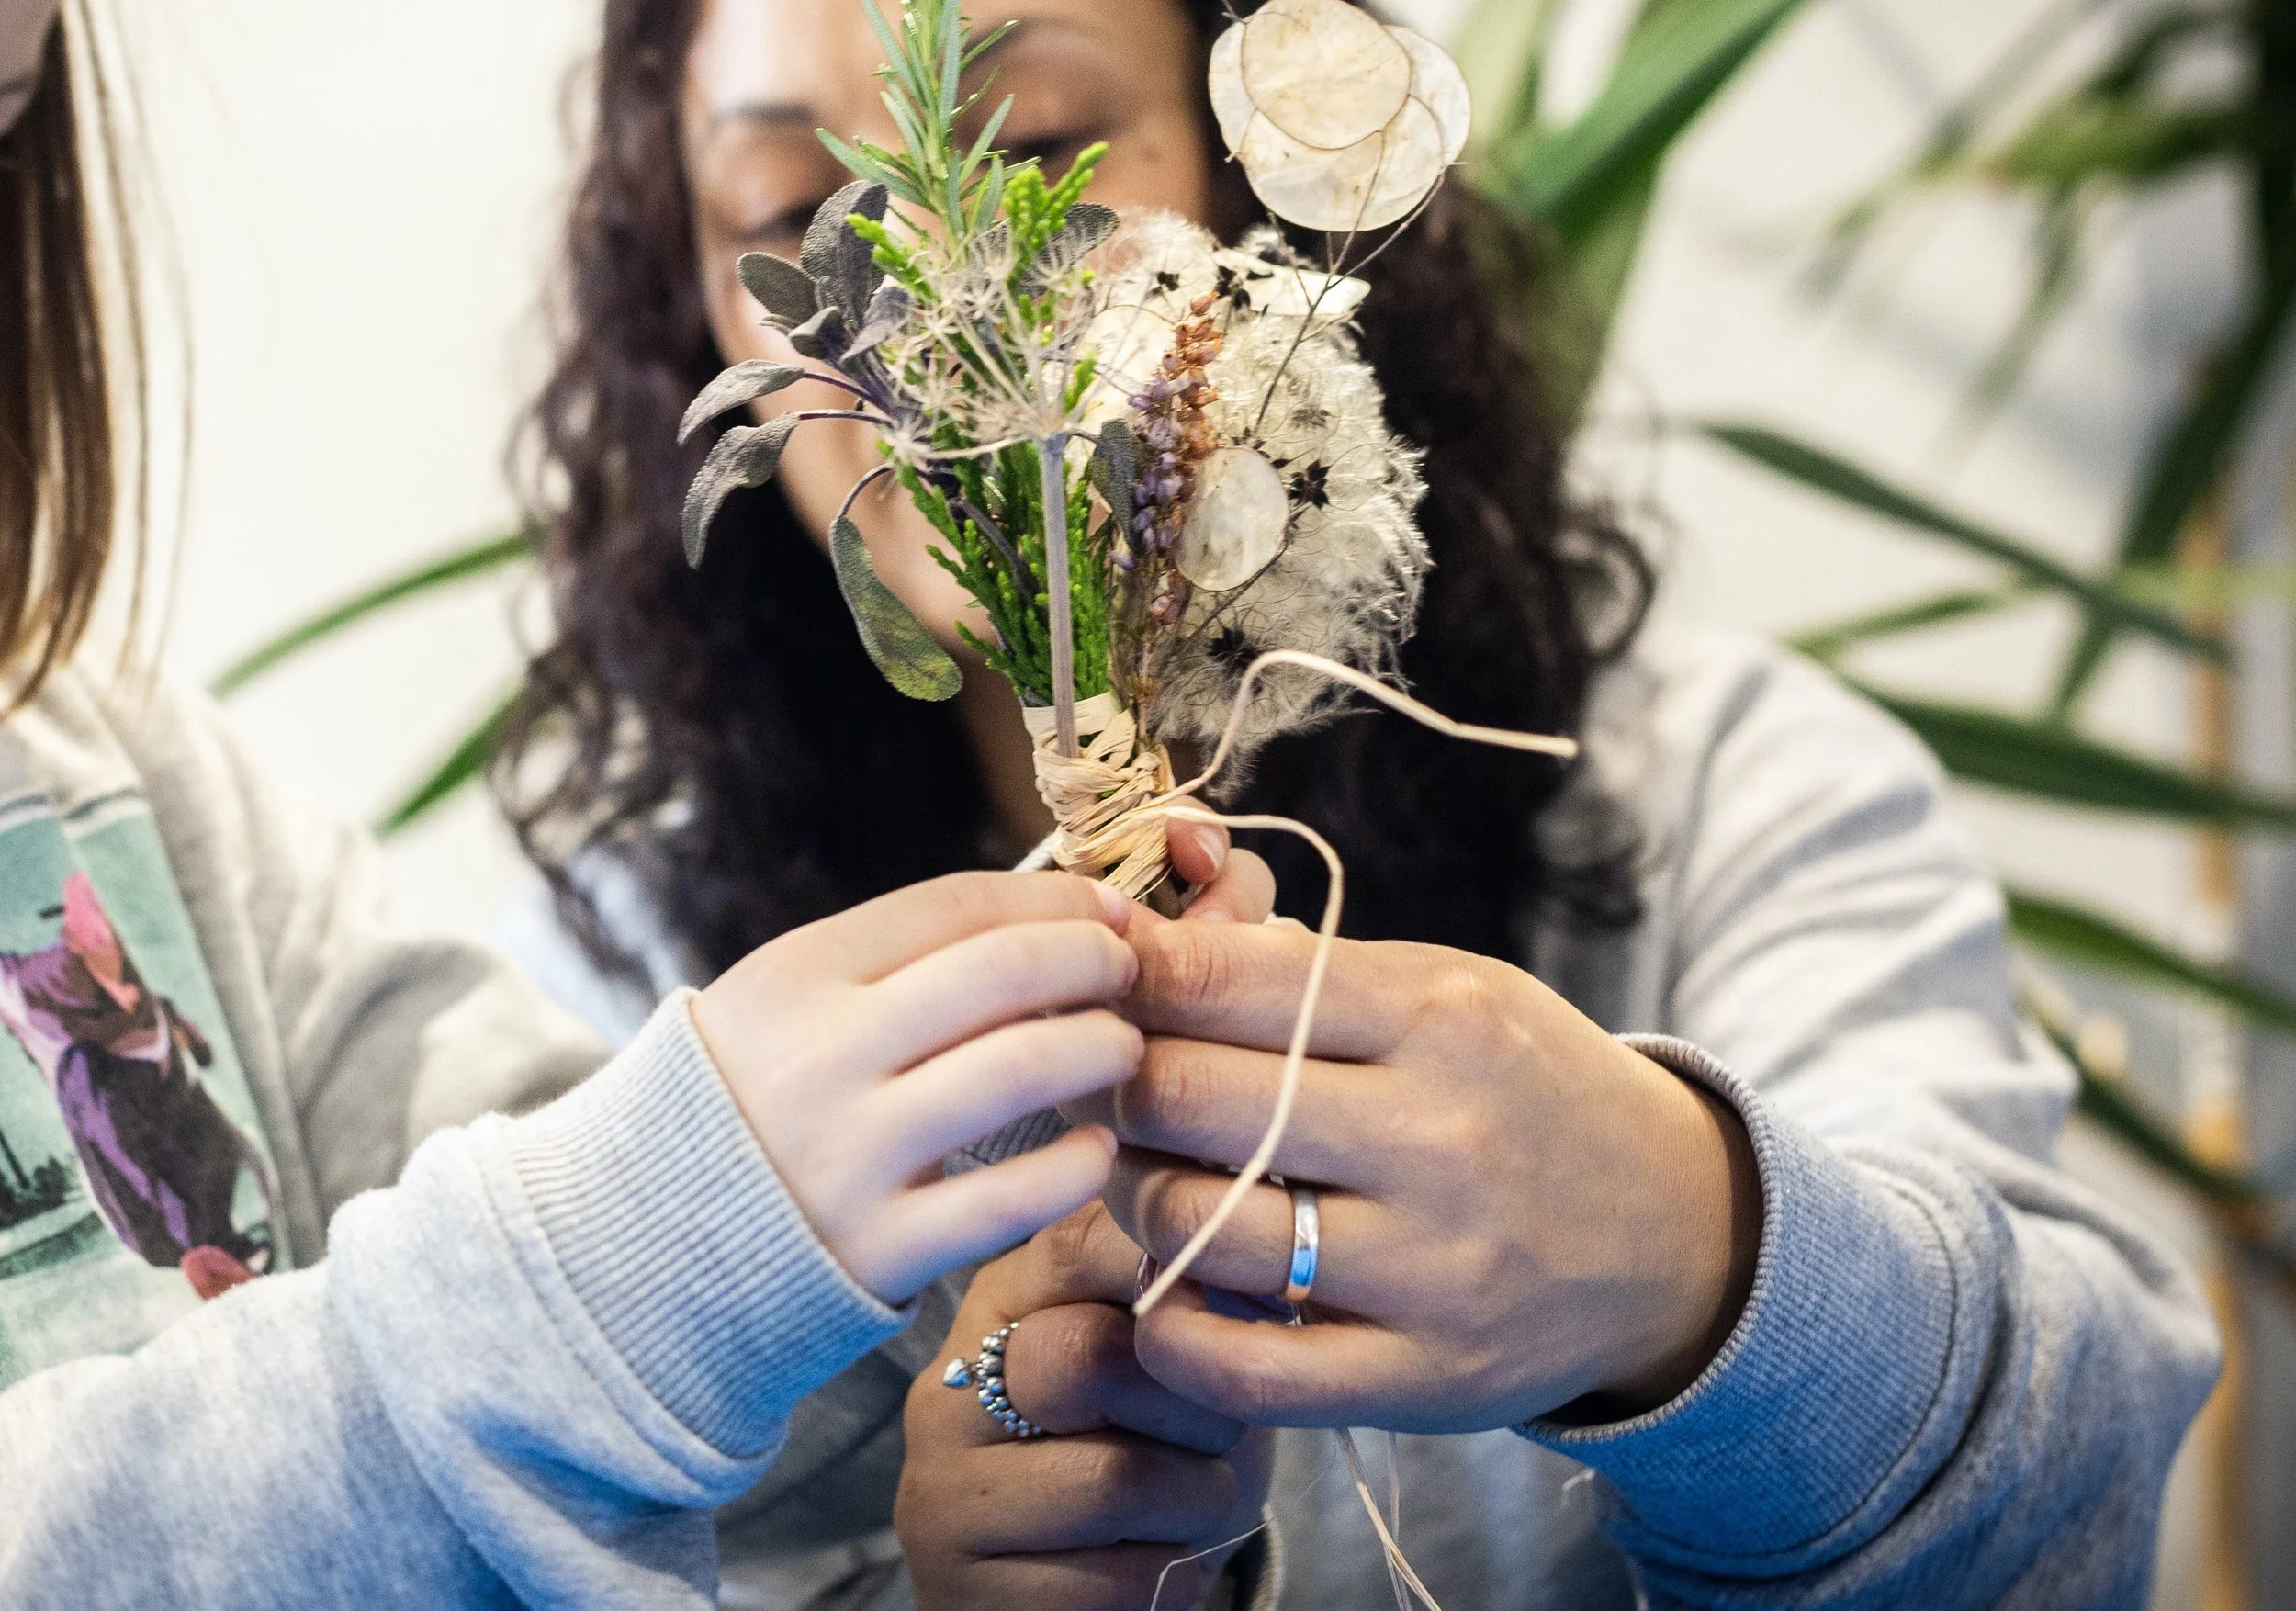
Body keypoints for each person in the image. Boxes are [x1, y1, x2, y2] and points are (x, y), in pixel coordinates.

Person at [498, 0, 2225, 1606]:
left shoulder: (1727, 791)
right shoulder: (625, 999)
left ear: (1264, 181)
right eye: (796, 197)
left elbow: (2078, 1476)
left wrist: (1689, 1258)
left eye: (1032, 159)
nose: (915, 300)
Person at [0, 5, 1264, 1604]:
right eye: (795, 215)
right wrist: (653, 1245)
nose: (932, 306)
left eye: (3, 114)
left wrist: (1000, 1129)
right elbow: (587, 1310)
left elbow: (703, 1453)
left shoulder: (149, 792)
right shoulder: (614, 928)